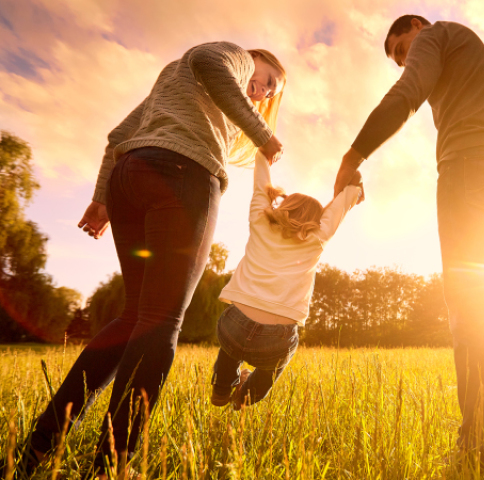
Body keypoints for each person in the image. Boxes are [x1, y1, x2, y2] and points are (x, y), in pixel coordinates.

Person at [20, 42, 287, 478]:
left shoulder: (175, 83)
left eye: (269, 94)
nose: (262, 92)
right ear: (253, 60)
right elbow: (208, 61)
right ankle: (111, 464)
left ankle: (37, 447)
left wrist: (101, 198)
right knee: (162, 322)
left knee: (135, 320)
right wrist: (263, 134)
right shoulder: (232, 56)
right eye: (267, 81)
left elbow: (116, 137)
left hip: (131, 178)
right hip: (183, 177)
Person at [333, 15, 484, 459]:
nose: (405, 61)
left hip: (470, 170)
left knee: (472, 304)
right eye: (399, 58)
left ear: (418, 27)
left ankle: (480, 443)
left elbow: (407, 94)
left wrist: (354, 154)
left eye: (404, 49)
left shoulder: (436, 36)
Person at [211, 151, 362, 410]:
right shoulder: (318, 237)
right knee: (271, 369)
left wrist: (263, 155)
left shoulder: (260, 220)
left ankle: (222, 388)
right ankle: (245, 398)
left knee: (231, 345)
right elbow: (339, 208)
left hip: (235, 324)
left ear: (284, 206)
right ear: (317, 221)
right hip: (277, 337)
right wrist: (353, 189)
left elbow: (261, 185)